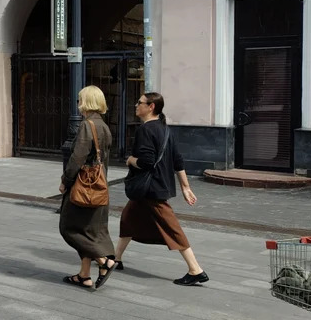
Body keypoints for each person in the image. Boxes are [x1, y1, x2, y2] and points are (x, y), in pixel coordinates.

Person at [117, 92, 208, 286]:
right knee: (128, 219)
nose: (135, 105)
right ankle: (116, 258)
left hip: (151, 189)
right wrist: (185, 187)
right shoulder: (165, 129)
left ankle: (195, 269)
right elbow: (178, 160)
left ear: (151, 107)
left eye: (139, 102)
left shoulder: (146, 130)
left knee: (171, 227)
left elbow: (148, 162)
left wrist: (131, 160)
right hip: (151, 188)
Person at [58, 85, 116, 290]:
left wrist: (65, 180)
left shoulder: (87, 125)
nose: (78, 103)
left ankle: (103, 261)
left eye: (79, 99)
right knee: (88, 230)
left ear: (86, 102)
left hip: (83, 188)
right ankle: (84, 275)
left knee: (69, 228)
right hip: (98, 188)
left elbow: (77, 158)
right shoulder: (104, 126)